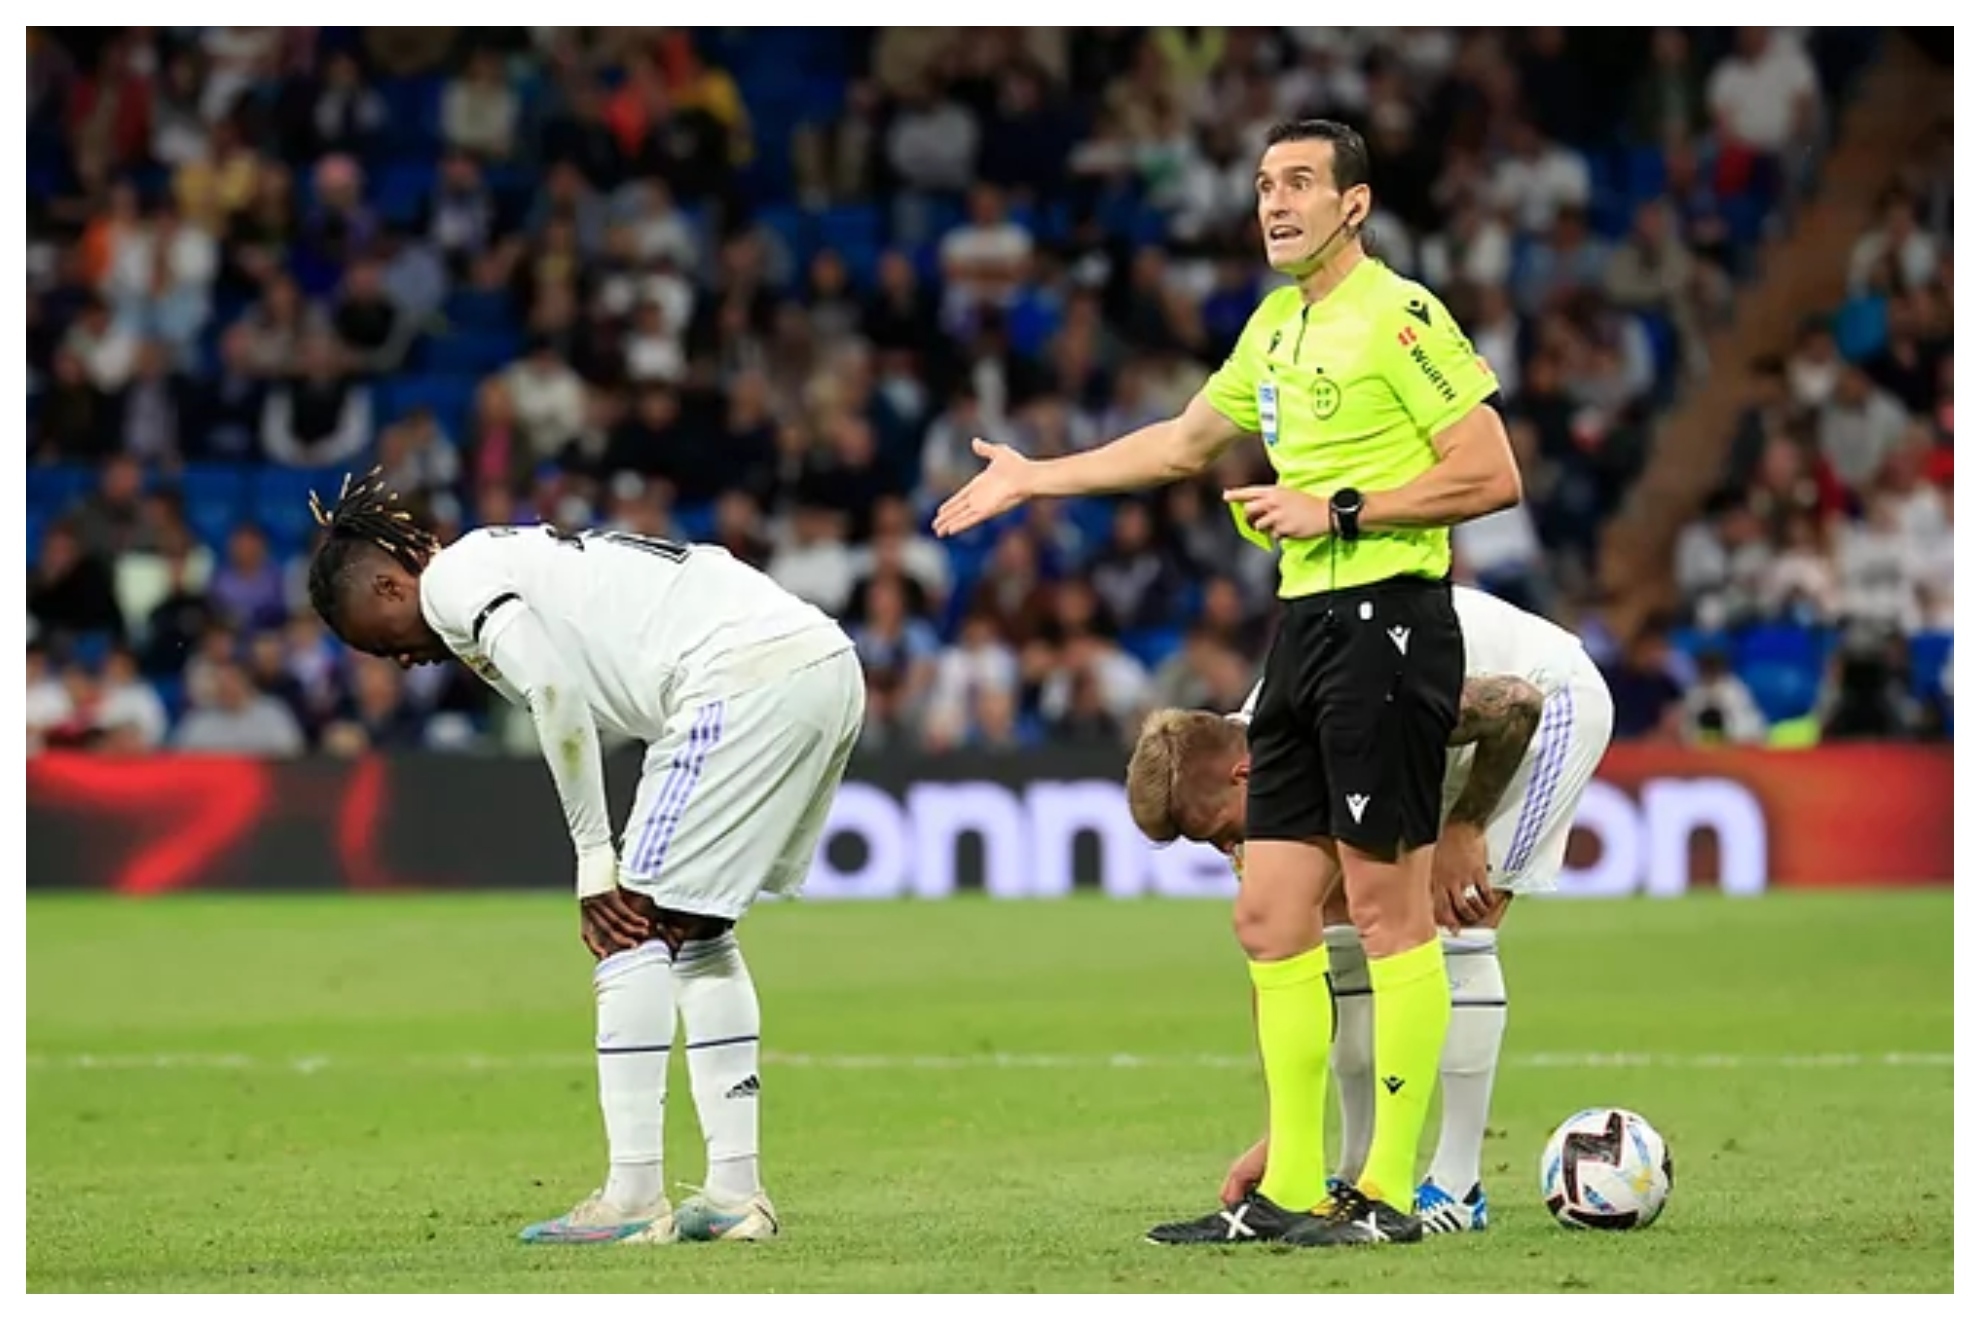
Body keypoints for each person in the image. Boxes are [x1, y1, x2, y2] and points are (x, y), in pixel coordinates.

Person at [934, 119, 1521, 1246]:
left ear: (1355, 202)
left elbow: (1491, 471)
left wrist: (1341, 508)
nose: (1275, 202)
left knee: (1392, 915)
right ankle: (1293, 1187)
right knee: (1268, 912)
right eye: (1262, 184)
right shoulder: (1278, 325)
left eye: (1300, 182)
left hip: (1391, 618)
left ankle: (1390, 1193)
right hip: (1302, 630)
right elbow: (1178, 445)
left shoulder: (1399, 316)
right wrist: (1033, 479)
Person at [303, 470, 866, 1246]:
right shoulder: (505, 561)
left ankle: (633, 1197)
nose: (395, 660)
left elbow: (558, 696)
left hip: (740, 678)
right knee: (697, 933)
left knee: (626, 929)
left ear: (392, 586)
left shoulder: (454, 582)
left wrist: (595, 860)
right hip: (821, 664)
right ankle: (735, 1195)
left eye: (375, 638)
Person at [1126, 584, 1616, 1236]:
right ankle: (1353, 1178)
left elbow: (1517, 705)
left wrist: (1467, 824)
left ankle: (1456, 1184)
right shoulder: (1254, 760)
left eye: (1219, 832)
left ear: (1245, 775)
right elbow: (1284, 960)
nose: (1227, 849)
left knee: (1458, 916)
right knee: (1333, 924)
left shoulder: (1346, 707)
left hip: (1546, 705)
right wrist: (1281, 1134)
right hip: (1428, 742)